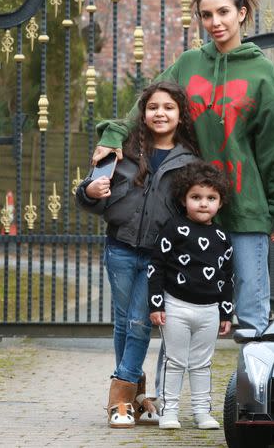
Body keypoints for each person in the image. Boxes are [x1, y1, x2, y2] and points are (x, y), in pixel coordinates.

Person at [93, 0, 274, 335]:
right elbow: (148, 104)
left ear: (241, 13)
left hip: (245, 206)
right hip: (186, 206)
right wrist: (112, 135)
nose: (216, 22)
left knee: (251, 313)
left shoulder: (260, 72)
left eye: (223, 12)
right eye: (206, 15)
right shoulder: (188, 64)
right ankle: (166, 394)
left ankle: (252, 391)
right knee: (175, 311)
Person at [76, 81, 199, 428]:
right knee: (123, 322)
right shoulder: (119, 152)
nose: (160, 113)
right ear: (143, 114)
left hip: (159, 256)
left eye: (169, 108)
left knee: (139, 321)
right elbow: (86, 195)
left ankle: (119, 401)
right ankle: (137, 394)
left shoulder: (189, 159)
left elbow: (194, 206)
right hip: (120, 248)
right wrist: (91, 190)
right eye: (153, 107)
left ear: (180, 115)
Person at [147, 161, 233, 430]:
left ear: (220, 202)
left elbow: (226, 277)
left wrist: (226, 312)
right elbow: (156, 267)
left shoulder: (222, 237)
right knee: (175, 362)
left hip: (209, 310)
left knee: (202, 363)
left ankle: (201, 412)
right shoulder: (173, 229)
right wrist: (156, 304)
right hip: (176, 307)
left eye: (211, 198)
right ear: (184, 199)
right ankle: (169, 411)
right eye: (196, 197)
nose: (203, 203)